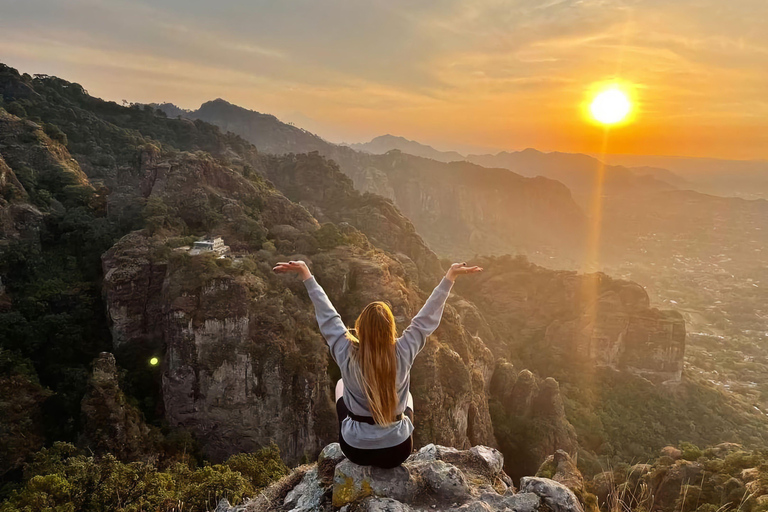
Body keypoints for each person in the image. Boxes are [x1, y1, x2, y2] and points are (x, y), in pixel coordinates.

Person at [273, 260, 483, 468]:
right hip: (397, 450)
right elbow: (425, 320)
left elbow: (328, 317)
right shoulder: (403, 350)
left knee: (340, 384)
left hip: (356, 451)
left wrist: (306, 276)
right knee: (407, 396)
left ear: (360, 328)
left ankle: (357, 429)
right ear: (390, 329)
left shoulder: (345, 351)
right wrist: (450, 278)